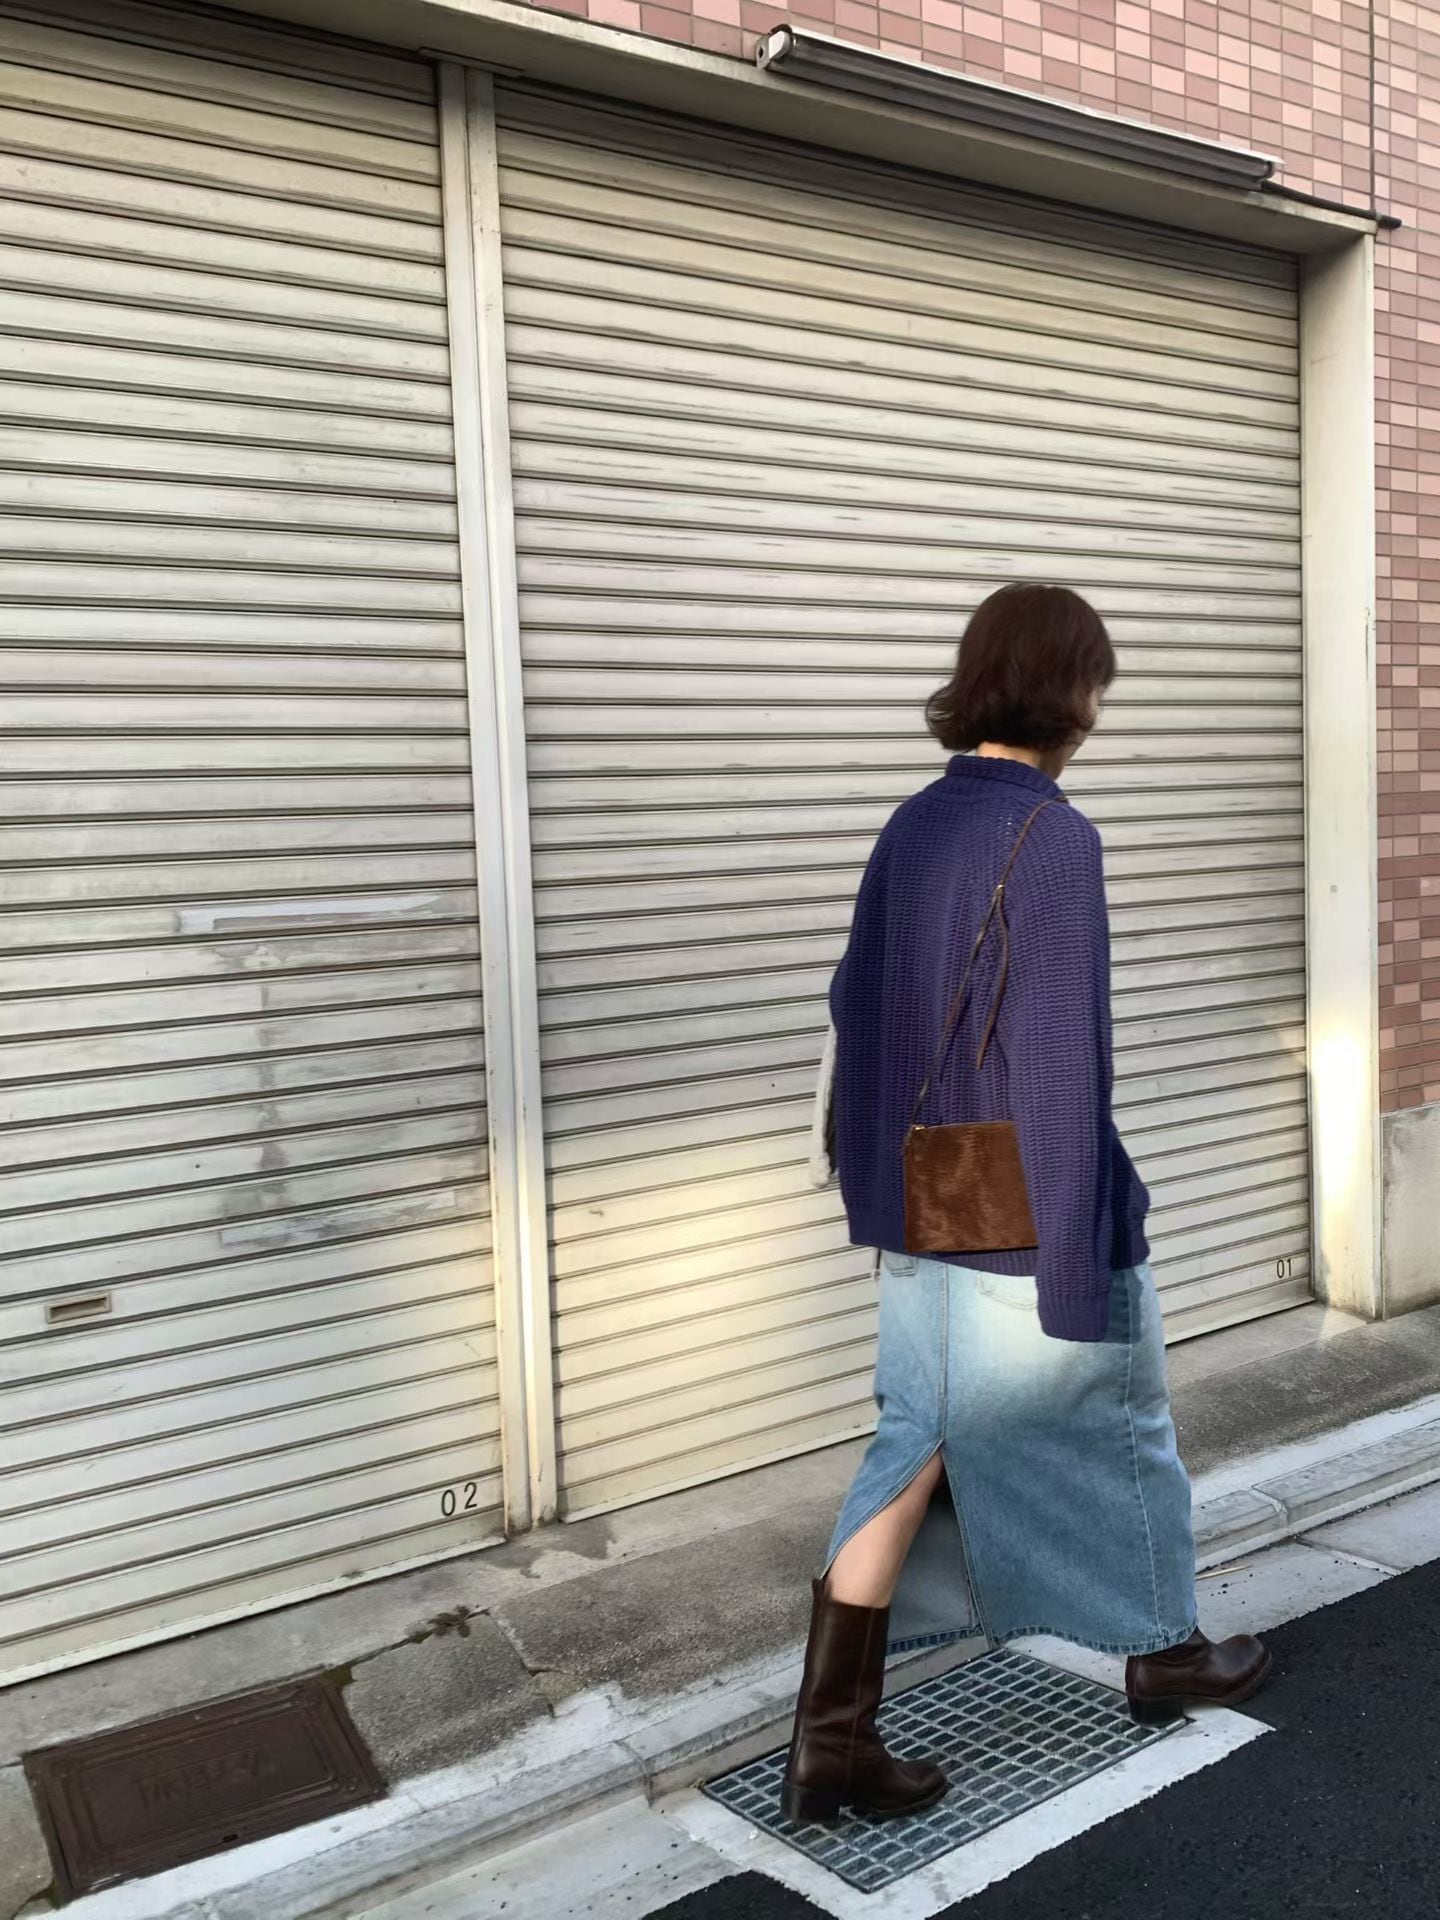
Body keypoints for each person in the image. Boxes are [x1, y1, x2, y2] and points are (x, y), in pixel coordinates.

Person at [781, 583, 1270, 1828]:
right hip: (1026, 1213)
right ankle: (1164, 1651)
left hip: (923, 1201)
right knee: (1127, 1419)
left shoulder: (914, 821)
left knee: (915, 1437)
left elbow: (853, 1009)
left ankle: (831, 1741)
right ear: (1072, 693)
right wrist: (1075, 1269)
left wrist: (876, 1194)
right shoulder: (1054, 838)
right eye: (1097, 681)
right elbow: (1058, 1065)